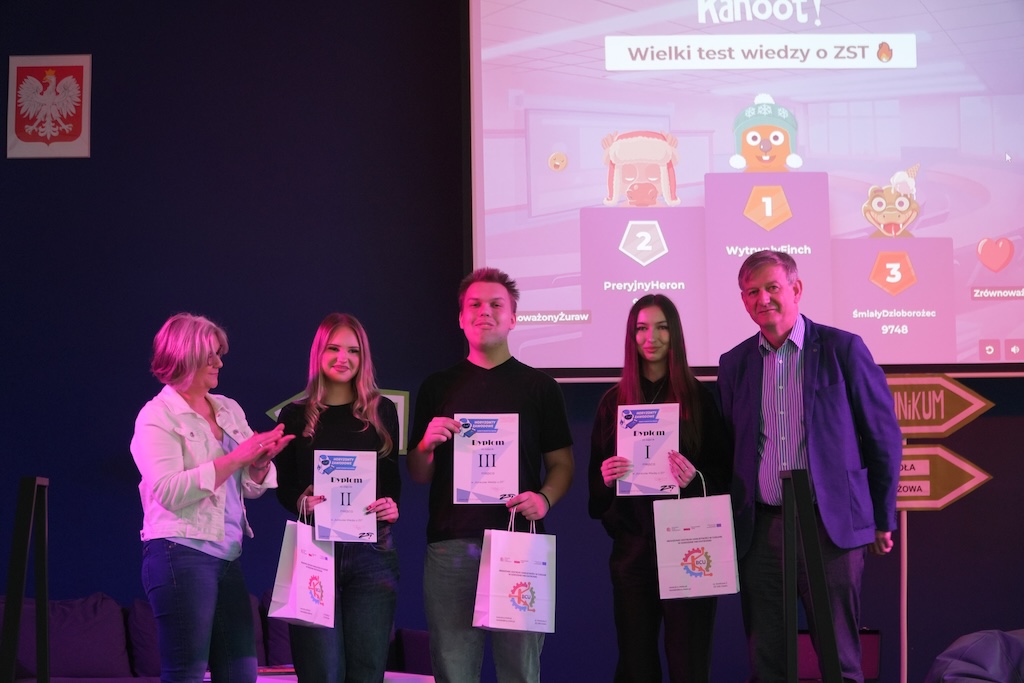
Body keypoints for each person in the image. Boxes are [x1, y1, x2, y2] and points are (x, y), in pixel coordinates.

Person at [716, 250, 902, 683]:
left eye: (772, 287)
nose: (762, 298)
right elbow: (726, 448)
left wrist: (882, 518)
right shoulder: (734, 364)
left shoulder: (843, 349)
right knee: (767, 663)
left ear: (796, 289)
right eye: (751, 292)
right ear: (743, 300)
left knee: (840, 662)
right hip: (760, 531)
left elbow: (883, 438)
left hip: (828, 527)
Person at [407, 267, 574, 683]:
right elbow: (419, 474)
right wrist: (425, 446)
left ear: (513, 318)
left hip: (519, 542)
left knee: (520, 671)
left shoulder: (541, 388)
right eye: (475, 305)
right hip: (450, 545)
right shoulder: (436, 387)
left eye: (496, 304)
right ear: (461, 318)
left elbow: (562, 464)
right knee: (453, 670)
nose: (485, 311)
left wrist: (545, 499)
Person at [130, 313, 294, 683]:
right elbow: (169, 491)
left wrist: (259, 463)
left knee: (240, 673)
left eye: (220, 354)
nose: (219, 362)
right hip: (180, 552)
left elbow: (247, 487)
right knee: (186, 672)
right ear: (184, 356)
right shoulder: (156, 416)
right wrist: (236, 458)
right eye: (211, 355)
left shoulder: (228, 408)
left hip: (228, 554)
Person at [589, 294, 731, 682]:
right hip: (633, 552)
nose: (651, 337)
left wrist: (695, 479)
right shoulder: (613, 403)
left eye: (662, 327)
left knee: (689, 664)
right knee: (636, 665)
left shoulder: (700, 399)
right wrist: (607, 478)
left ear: (675, 334)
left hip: (691, 548)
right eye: (641, 328)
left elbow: (725, 476)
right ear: (631, 336)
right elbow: (595, 497)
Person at [274, 313, 401, 683]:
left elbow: (391, 482)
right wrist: (300, 502)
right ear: (319, 352)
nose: (343, 358)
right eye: (333, 348)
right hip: (315, 549)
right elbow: (284, 486)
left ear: (363, 357)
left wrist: (390, 506)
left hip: (371, 553)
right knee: (321, 673)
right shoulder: (295, 414)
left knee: (367, 672)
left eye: (353, 350)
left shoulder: (382, 410)